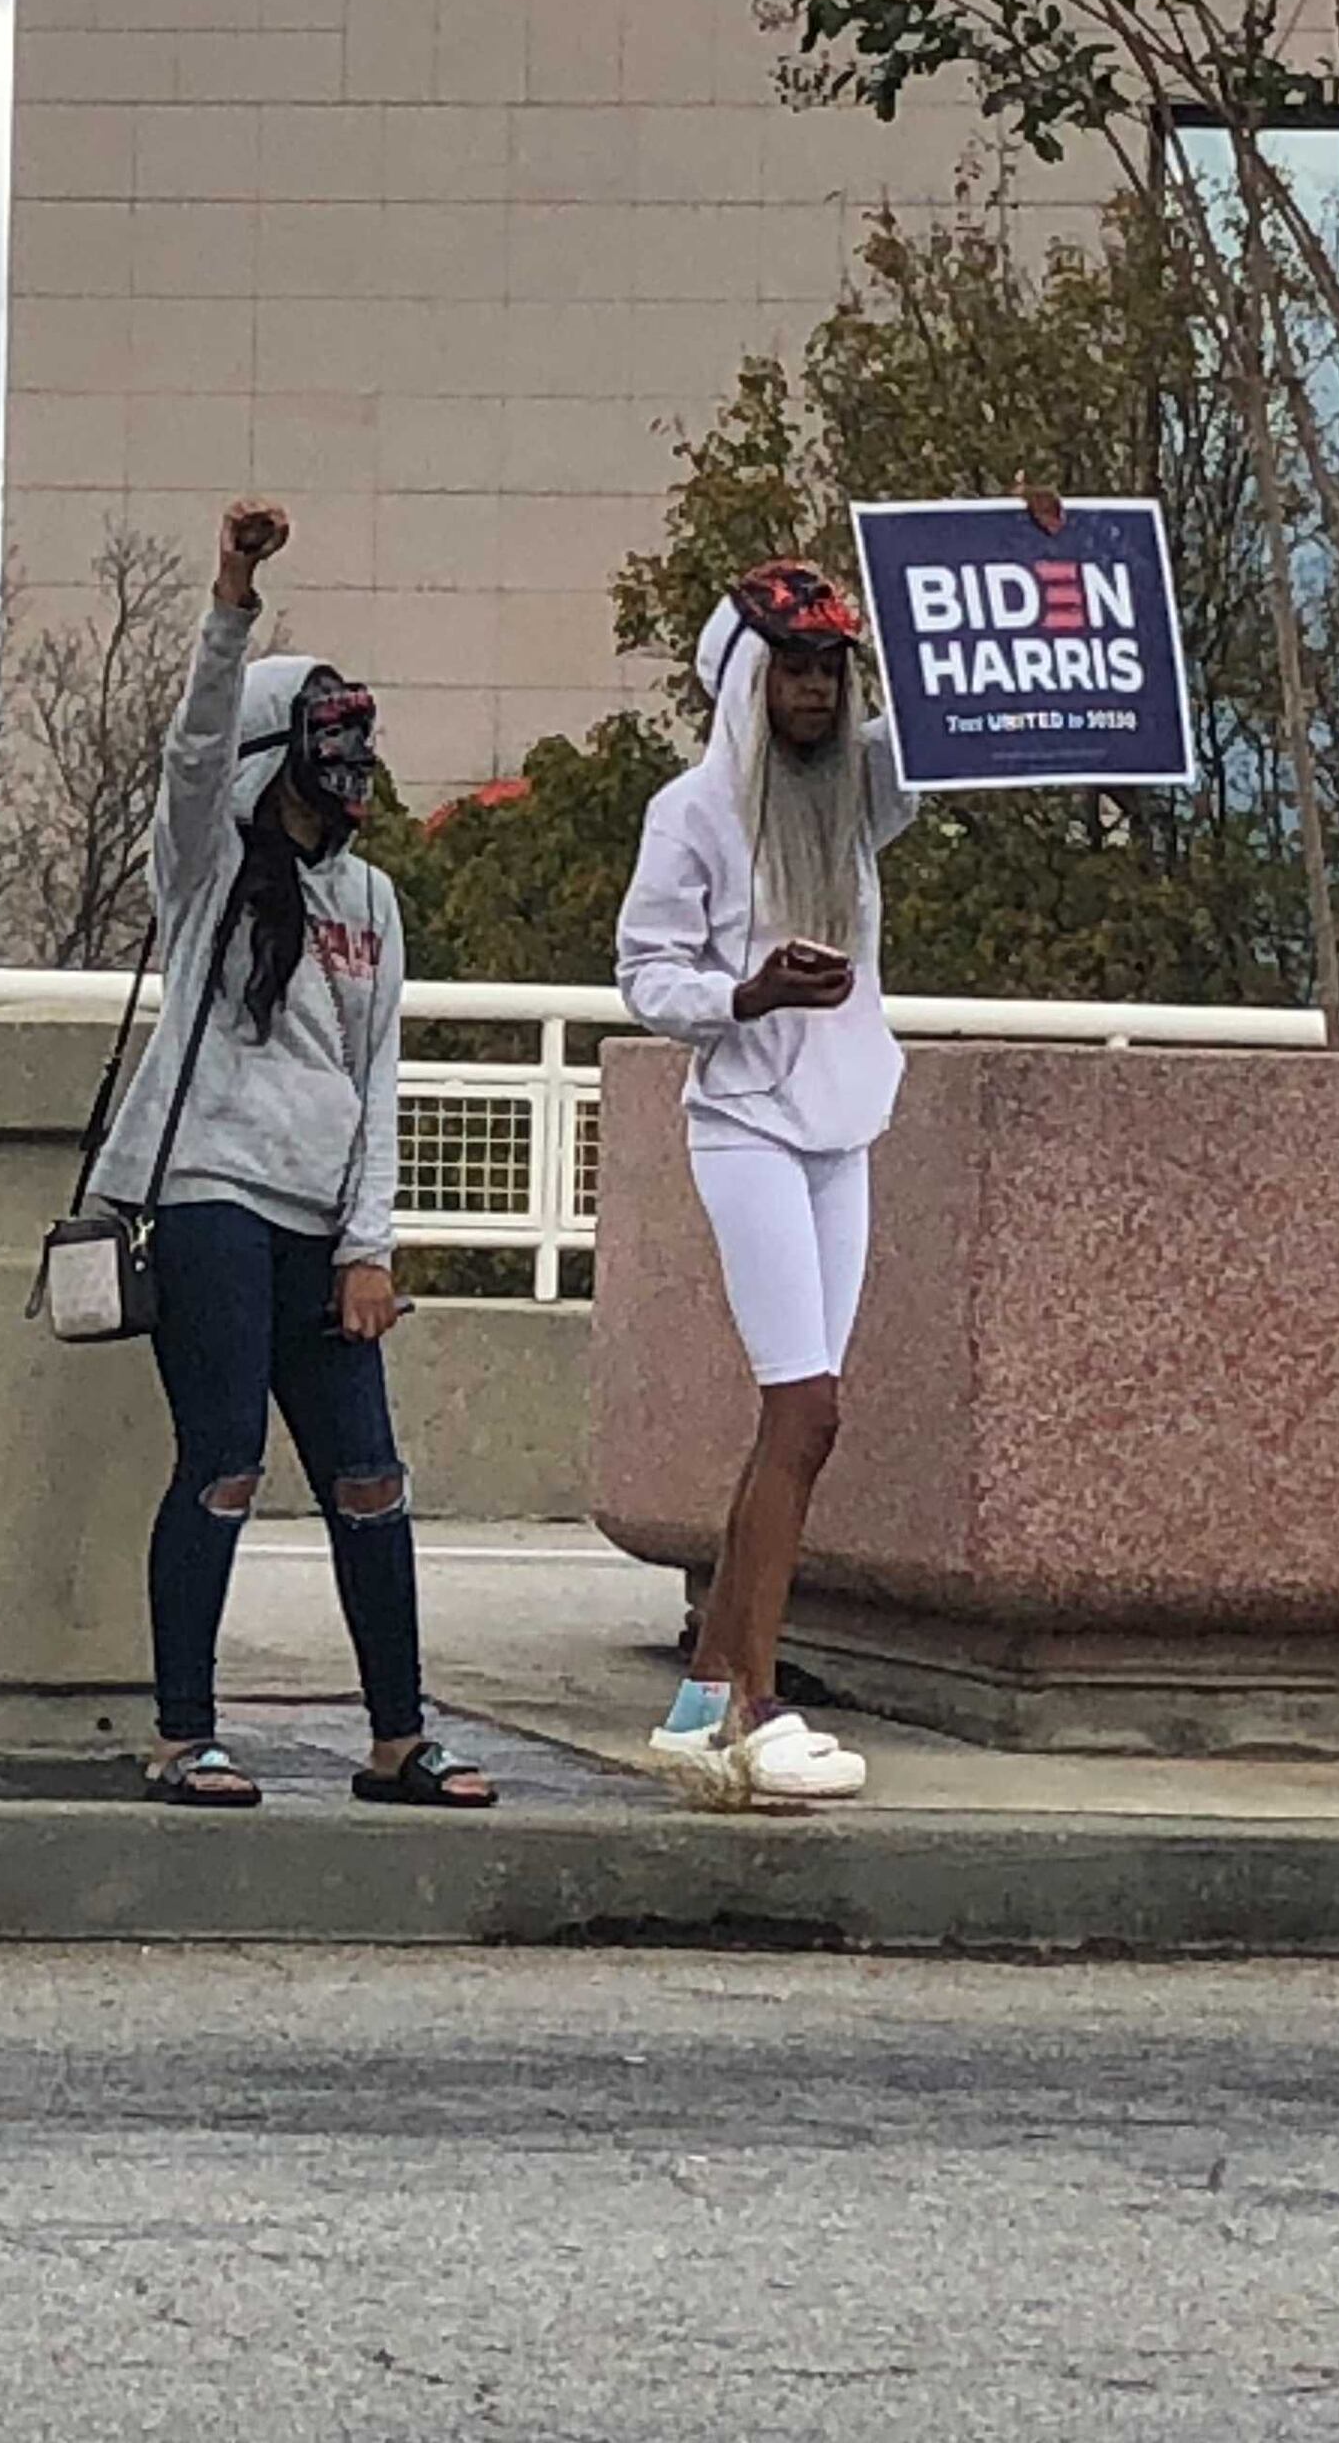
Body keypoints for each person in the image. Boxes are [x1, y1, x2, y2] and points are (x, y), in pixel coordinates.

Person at [100, 498, 492, 1812]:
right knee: (220, 1463)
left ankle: (398, 1738)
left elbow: (378, 1079)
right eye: (325, 741)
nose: (352, 765)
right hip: (210, 1203)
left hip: (326, 1232)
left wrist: (371, 1244)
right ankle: (182, 1734)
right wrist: (232, 592)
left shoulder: (372, 903)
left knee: (369, 1479)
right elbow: (196, 747)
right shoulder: (207, 868)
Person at [613, 559, 917, 1809]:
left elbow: (967, 735)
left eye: (832, 670)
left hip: (842, 1123)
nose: (813, 692)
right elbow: (645, 973)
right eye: (792, 667)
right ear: (747, 678)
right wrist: (748, 995)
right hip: (745, 1120)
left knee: (801, 1422)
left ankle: (702, 1695)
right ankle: (755, 1699)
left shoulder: (852, 792)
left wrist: (1033, 553)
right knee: (804, 1412)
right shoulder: (692, 811)